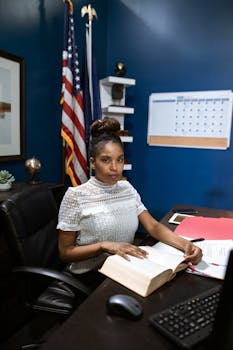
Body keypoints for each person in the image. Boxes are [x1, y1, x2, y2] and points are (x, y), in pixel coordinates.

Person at [57, 117, 202, 290]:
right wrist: (104, 246)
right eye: (106, 160)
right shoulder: (75, 196)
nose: (115, 167)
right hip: (91, 276)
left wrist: (186, 245)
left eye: (119, 160)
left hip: (124, 267)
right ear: (92, 162)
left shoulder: (127, 188)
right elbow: (65, 253)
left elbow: (153, 227)